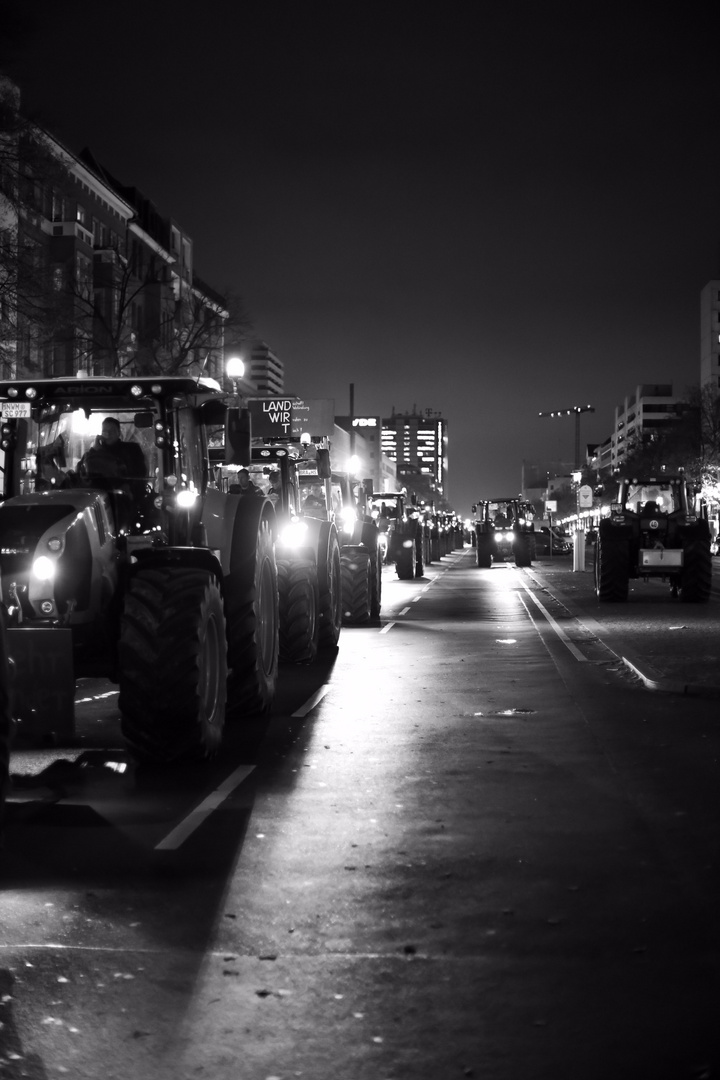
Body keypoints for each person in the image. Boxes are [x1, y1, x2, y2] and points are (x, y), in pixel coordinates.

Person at [78, 417, 147, 499]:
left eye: (112, 431)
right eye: (105, 431)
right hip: (100, 496)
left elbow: (140, 472)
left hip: (126, 496)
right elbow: (82, 471)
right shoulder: (94, 453)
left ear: (119, 432)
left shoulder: (132, 449)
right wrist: (94, 450)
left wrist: (128, 486)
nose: (108, 434)